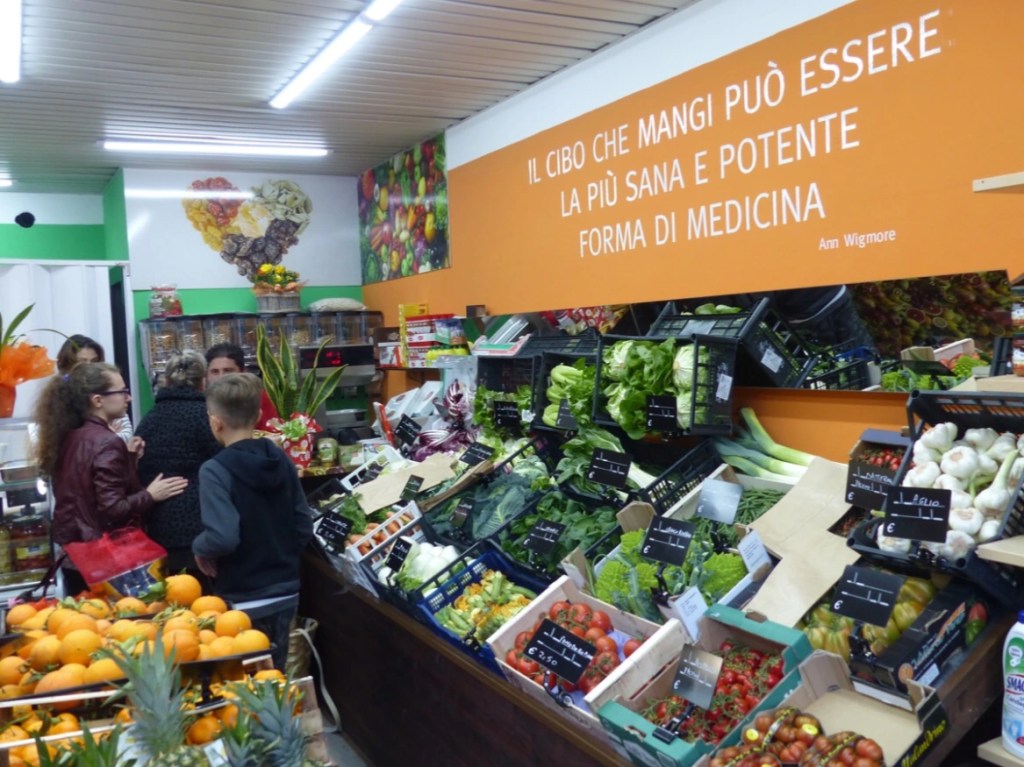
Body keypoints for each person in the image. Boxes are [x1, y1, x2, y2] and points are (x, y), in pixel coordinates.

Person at [31, 362, 188, 595]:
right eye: (122, 391)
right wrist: (150, 495)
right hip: (104, 563)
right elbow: (113, 508)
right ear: (97, 400)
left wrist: (128, 460)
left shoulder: (69, 437)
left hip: (75, 557)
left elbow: (84, 488)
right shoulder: (107, 442)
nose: (129, 397)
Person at [193, 373, 313, 670]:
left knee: (245, 681)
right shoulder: (281, 459)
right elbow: (303, 524)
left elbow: (223, 536)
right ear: (259, 416)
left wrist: (200, 547)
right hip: (286, 588)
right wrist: (281, 555)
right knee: (277, 674)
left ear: (215, 422)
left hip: (242, 593)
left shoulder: (214, 470)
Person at [134, 350, 221, 587]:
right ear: (203, 382)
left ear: (167, 381)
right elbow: (223, 463)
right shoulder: (207, 417)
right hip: (201, 527)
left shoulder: (149, 420)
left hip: (159, 526)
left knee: (173, 597)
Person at [56, 334, 134, 443]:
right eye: (81, 364)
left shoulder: (107, 394)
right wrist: (108, 433)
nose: (89, 367)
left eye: (94, 362)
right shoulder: (59, 402)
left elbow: (127, 434)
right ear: (67, 366)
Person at [204, 342, 279, 430]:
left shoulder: (258, 397)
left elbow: (272, 432)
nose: (221, 377)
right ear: (207, 375)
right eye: (215, 372)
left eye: (228, 371)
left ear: (243, 372)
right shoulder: (201, 402)